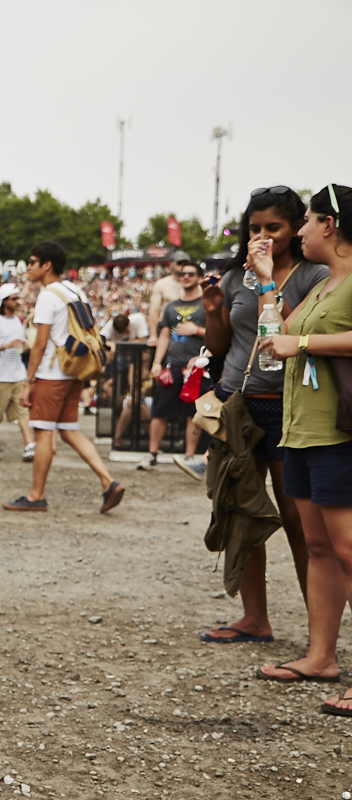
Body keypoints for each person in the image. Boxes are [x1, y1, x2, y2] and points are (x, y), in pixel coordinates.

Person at [199, 186, 323, 647]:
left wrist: (269, 279)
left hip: (288, 405)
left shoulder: (315, 275)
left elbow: (285, 335)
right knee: (242, 510)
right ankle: (255, 618)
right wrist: (214, 313)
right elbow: (221, 346)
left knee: (299, 521)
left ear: (295, 228)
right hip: (238, 404)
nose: (263, 237)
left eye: (274, 227)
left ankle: (319, 631)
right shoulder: (237, 277)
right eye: (255, 228)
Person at [255, 185, 352, 715]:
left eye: (309, 220)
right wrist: (267, 284)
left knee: (348, 550)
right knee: (319, 548)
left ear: (330, 225)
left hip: (339, 433)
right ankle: (320, 657)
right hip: (303, 430)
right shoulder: (322, 284)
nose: (301, 230)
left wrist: (305, 343)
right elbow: (277, 336)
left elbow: (297, 341)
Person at [4, 241, 124, 513]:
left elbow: (40, 344)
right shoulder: (74, 289)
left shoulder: (48, 295)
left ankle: (36, 495)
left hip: (51, 372)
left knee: (43, 432)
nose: (29, 266)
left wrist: (29, 381)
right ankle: (108, 481)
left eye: (32, 262)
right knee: (69, 431)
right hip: (74, 371)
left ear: (47, 265)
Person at [137, 262, 210, 476]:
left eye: (190, 274)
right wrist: (157, 362)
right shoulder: (170, 307)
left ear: (199, 277)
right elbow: (164, 335)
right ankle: (152, 453)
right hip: (173, 365)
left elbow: (219, 334)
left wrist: (197, 330)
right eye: (182, 273)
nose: (185, 277)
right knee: (159, 410)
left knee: (193, 414)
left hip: (198, 366)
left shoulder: (207, 304)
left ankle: (189, 457)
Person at [0, 283, 35, 462]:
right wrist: (7, 346)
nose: (17, 302)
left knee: (22, 411)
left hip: (17, 373)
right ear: (4, 301)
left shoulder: (19, 321)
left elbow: (21, 344)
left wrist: (24, 347)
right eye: (14, 299)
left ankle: (29, 444)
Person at [146, 253, 187, 347]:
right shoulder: (162, 284)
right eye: (179, 263)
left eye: (185, 263)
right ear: (171, 264)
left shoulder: (194, 285)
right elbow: (154, 311)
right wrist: (153, 335)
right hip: (166, 327)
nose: (182, 266)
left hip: (186, 326)